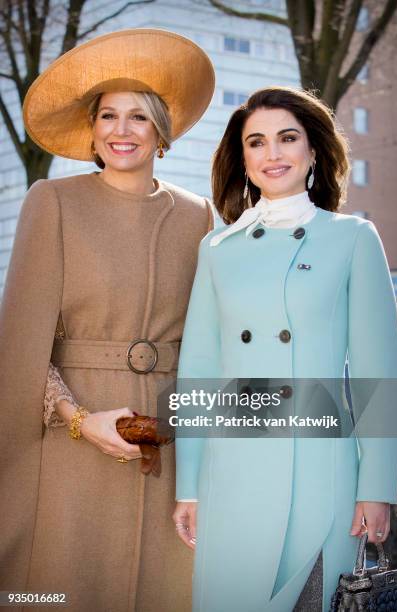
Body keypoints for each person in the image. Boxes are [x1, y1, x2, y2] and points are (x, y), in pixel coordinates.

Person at [0, 29, 214, 612]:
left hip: (164, 450)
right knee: (56, 592)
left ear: (160, 132)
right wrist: (78, 421)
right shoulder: (53, 202)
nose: (123, 130)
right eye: (109, 116)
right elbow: (20, 345)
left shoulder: (199, 216)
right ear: (92, 132)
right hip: (70, 448)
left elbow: (206, 341)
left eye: (139, 117)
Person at [173, 87, 397, 611]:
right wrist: (189, 486)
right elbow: (199, 372)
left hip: (321, 471)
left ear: (314, 151)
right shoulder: (217, 249)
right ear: (244, 160)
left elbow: (377, 372)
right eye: (257, 142)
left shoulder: (352, 237)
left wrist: (377, 487)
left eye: (287, 138)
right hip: (231, 472)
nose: (272, 153)